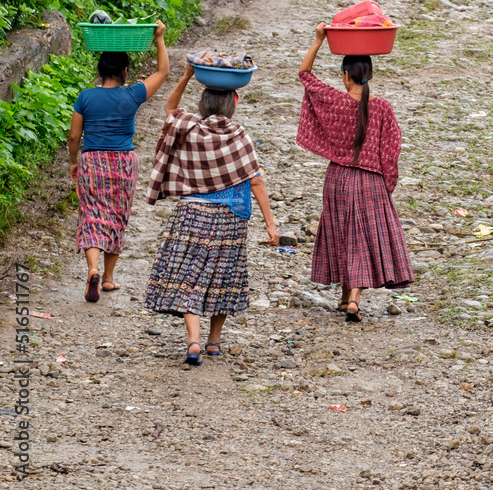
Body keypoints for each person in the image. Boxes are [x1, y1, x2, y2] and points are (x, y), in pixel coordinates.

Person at [144, 62, 279, 366]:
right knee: (223, 277)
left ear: (202, 104)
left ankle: (193, 340)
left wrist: (188, 75)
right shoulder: (239, 135)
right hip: (230, 217)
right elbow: (255, 180)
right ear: (234, 103)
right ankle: (213, 343)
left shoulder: (188, 127)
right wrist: (271, 226)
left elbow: (170, 106)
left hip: (192, 213)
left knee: (188, 276)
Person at [297, 23, 413, 324]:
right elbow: (391, 150)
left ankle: (347, 296)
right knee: (362, 236)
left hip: (337, 179)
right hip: (370, 180)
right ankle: (352, 300)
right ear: (369, 75)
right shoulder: (384, 108)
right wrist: (387, 184)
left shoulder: (335, 102)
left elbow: (305, 75)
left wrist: (319, 40)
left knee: (342, 233)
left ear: (345, 76)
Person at [68, 21, 169, 303]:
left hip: (92, 160)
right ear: (125, 72)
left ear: (100, 71)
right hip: (123, 163)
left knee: (91, 214)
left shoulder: (85, 97)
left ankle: (93, 269)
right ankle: (109, 278)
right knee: (116, 216)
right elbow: (163, 72)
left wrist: (74, 161)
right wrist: (159, 38)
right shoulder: (132, 94)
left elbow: (75, 136)